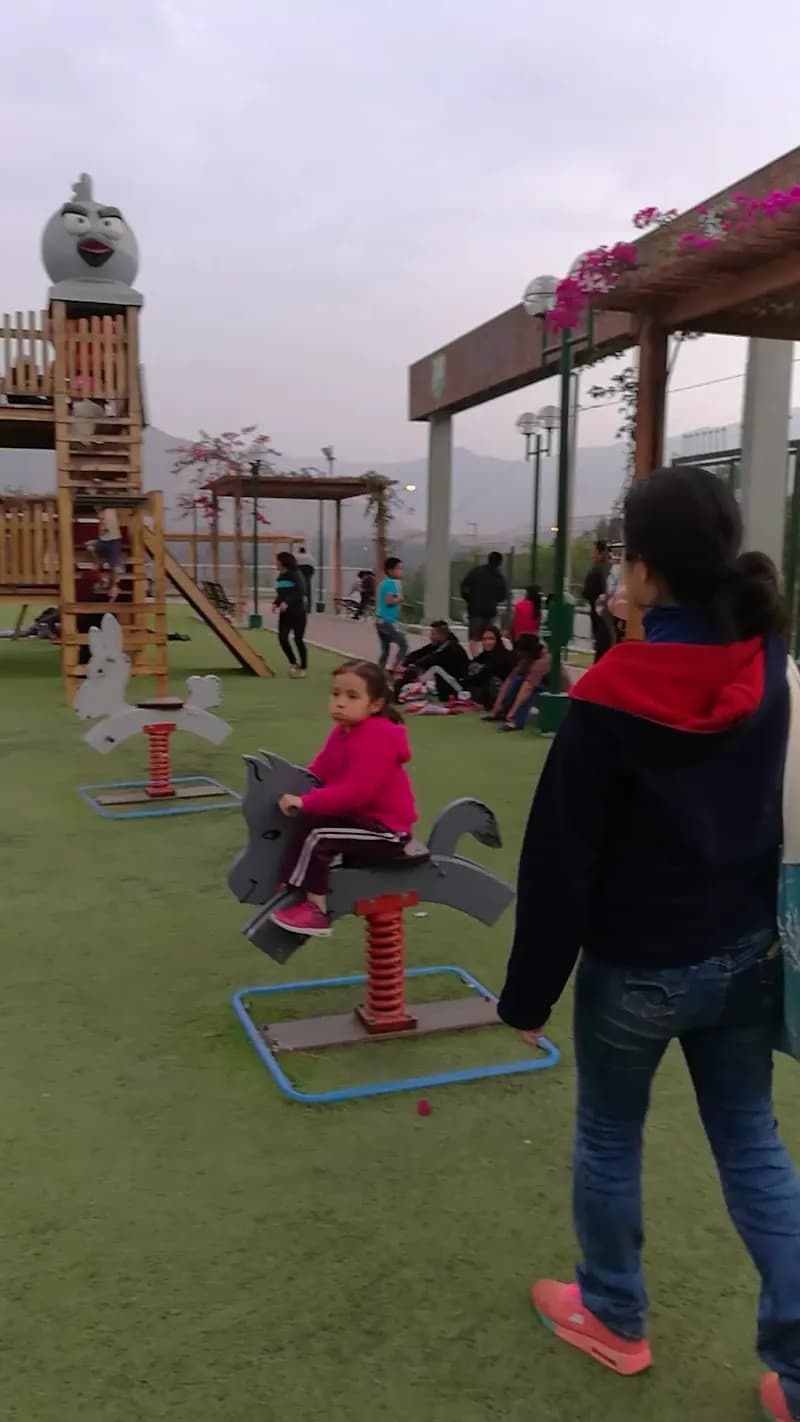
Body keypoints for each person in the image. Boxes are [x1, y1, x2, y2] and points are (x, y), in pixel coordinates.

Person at [497, 465, 800, 1420]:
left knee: (607, 1139)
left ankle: (615, 1316)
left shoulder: (611, 692)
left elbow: (559, 861)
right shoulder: (771, 663)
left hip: (636, 971)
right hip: (745, 957)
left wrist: (527, 997)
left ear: (646, 575)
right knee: (754, 1148)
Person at [271, 660, 418, 937]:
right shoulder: (342, 731)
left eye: (352, 696)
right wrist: (293, 790)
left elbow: (356, 793)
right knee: (308, 821)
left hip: (387, 831)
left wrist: (306, 801)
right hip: (362, 820)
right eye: (335, 693)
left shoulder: (378, 736)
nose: (339, 703)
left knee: (319, 836)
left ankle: (316, 911)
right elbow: (318, 771)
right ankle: (292, 885)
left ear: (374, 705)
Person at [483, 633, 551, 731]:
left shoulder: (542, 661)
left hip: (555, 692)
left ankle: (516, 721)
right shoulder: (527, 659)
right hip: (535, 685)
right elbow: (509, 680)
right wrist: (497, 706)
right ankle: (502, 712)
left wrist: (513, 712)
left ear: (528, 651)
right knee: (517, 680)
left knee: (531, 691)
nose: (519, 654)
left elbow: (528, 687)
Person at [396, 619, 470, 702]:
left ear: (442, 636)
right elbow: (418, 653)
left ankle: (403, 694)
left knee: (434, 668)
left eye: (433, 634)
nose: (431, 637)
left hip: (456, 687)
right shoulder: (439, 645)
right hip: (445, 684)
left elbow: (432, 659)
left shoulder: (451, 647)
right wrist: (404, 664)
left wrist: (412, 667)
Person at [461, 551, 508, 655]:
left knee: (474, 637)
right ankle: (487, 657)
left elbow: (464, 586)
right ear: (500, 562)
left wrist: (468, 598)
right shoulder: (499, 577)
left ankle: (475, 657)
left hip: (475, 610)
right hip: (490, 611)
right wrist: (494, 601)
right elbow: (503, 595)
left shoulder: (476, 571)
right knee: (489, 636)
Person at [273, 550, 308, 678]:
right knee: (282, 638)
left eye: (277, 560)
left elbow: (300, 591)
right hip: (285, 614)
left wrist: (287, 603)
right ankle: (293, 662)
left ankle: (304, 667)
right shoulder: (280, 577)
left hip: (298, 612)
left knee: (298, 639)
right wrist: (276, 603)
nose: (275, 563)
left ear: (283, 562)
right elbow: (281, 593)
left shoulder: (296, 574)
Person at [464, 626, 516, 709]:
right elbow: (471, 666)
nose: (487, 642)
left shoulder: (503, 656)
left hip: (502, 692)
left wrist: (465, 681)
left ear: (498, 640)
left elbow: (485, 674)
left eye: (491, 639)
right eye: (484, 639)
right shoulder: (485, 655)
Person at [582, 539, 613, 662]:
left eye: (594, 552)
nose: (592, 556)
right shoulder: (614, 569)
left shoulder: (595, 572)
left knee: (601, 652)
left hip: (600, 617)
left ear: (601, 553)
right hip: (613, 618)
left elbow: (588, 593)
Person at [376, 556, 408, 669]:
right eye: (399, 569)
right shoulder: (391, 583)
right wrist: (400, 598)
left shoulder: (384, 583)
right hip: (387, 621)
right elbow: (389, 601)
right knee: (403, 644)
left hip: (380, 620)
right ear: (390, 570)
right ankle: (396, 668)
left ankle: (380, 670)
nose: (401, 571)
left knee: (385, 650)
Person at [90, 507, 123, 592]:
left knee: (114, 565)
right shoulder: (106, 513)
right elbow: (103, 530)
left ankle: (113, 585)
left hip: (113, 540)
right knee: (92, 548)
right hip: (105, 540)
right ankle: (110, 584)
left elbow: (104, 528)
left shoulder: (109, 511)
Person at [296, 546, 315, 612]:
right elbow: (313, 568)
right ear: (305, 551)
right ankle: (309, 608)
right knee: (308, 591)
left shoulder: (296, 557)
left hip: (299, 573)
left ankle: (299, 607)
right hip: (308, 573)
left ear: (299, 551)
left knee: (298, 590)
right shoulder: (310, 557)